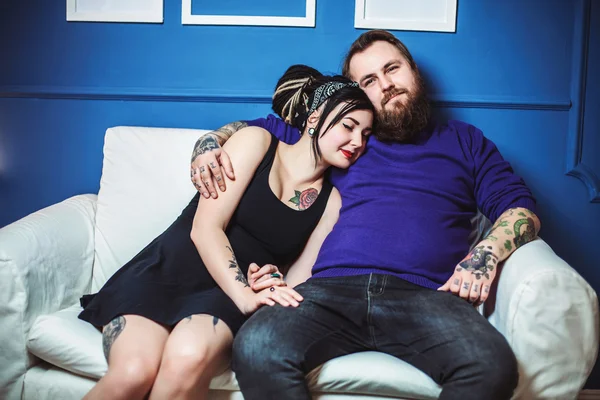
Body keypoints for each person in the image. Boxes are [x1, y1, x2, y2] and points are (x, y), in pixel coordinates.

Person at [189, 30, 541, 400]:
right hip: (328, 292)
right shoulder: (343, 138)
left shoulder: (465, 141)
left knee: (491, 363)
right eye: (369, 81)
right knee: (256, 347)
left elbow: (521, 208)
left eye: (393, 69)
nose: (386, 85)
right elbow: (251, 129)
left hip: (427, 296)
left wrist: (484, 256)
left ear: (413, 71)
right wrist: (207, 146)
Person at [77, 65, 374, 400]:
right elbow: (205, 229)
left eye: (365, 135)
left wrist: (271, 282)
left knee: (186, 357)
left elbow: (296, 283)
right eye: (349, 126)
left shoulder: (330, 201)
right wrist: (246, 296)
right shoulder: (256, 141)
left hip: (225, 297)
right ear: (315, 118)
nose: (356, 142)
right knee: (133, 372)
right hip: (169, 270)